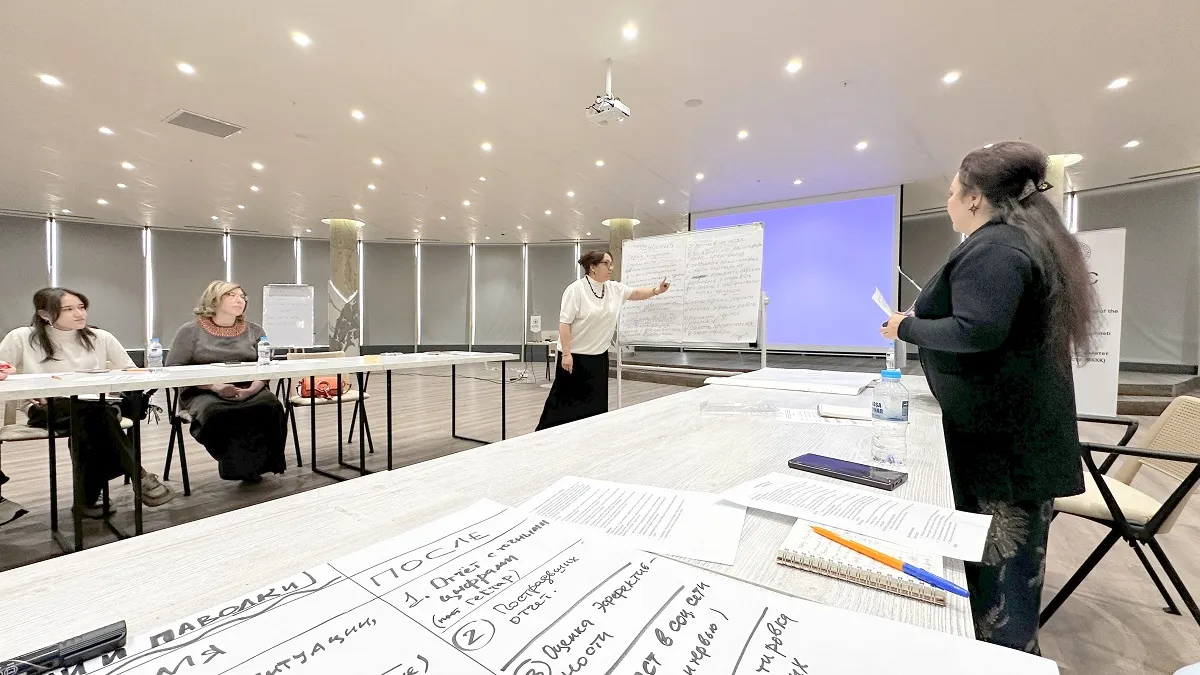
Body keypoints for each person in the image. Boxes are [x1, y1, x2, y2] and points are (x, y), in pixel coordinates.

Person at [880, 141, 1096, 654]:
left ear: (974, 198)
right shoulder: (1022, 240)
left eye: (952, 193)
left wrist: (907, 326)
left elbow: (977, 330)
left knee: (1003, 584)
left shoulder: (997, 247)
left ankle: (1004, 658)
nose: (948, 202)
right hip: (1011, 433)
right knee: (999, 567)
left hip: (1005, 447)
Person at [0, 288, 174, 516]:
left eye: (81, 307)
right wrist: (20, 382)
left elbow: (130, 371)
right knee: (96, 416)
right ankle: (137, 474)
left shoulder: (99, 337)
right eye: (68, 309)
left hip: (97, 405)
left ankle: (87, 501)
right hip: (47, 407)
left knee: (91, 419)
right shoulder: (21, 337)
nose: (79, 314)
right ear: (44, 314)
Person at [166, 280, 287, 483]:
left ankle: (258, 465)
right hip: (203, 390)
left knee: (271, 406)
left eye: (242, 297)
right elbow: (172, 369)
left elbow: (265, 366)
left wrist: (251, 390)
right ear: (214, 299)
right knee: (217, 412)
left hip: (248, 387)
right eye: (232, 295)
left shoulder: (255, 330)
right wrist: (215, 386)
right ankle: (239, 466)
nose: (240, 300)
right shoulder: (190, 331)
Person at [537, 250, 670, 430]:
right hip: (573, 357)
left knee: (595, 404)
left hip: (598, 357)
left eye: (611, 263)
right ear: (592, 267)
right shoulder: (576, 290)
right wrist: (566, 354)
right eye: (606, 263)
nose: (611, 267)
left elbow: (636, 293)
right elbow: (564, 323)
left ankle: (590, 435)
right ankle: (547, 435)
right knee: (563, 403)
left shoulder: (614, 288)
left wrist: (656, 290)